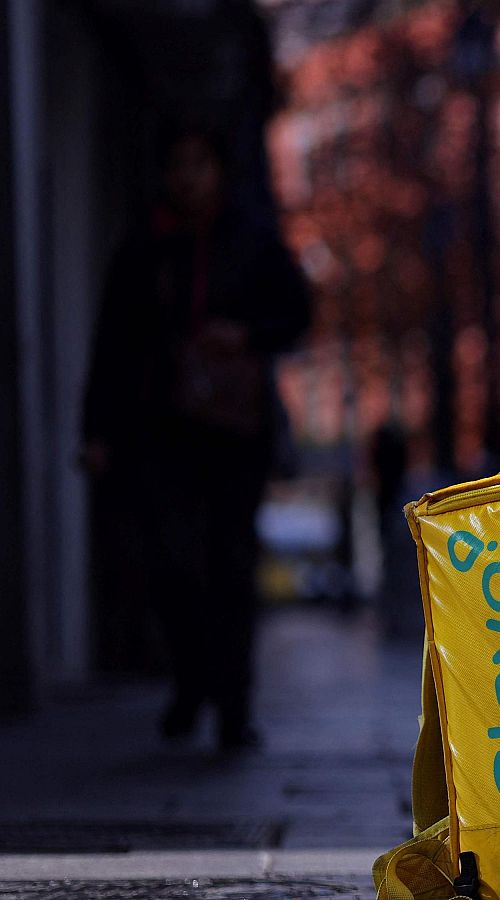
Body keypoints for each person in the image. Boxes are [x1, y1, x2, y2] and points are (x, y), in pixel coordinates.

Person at [82, 128, 310, 751]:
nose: (187, 178)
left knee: (232, 567)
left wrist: (245, 335)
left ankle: (233, 707)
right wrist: (96, 430)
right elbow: (112, 344)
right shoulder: (145, 247)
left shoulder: (252, 240)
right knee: (170, 564)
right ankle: (192, 679)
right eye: (177, 166)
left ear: (218, 171)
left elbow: (296, 312)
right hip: (159, 427)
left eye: (198, 164)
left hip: (235, 430)